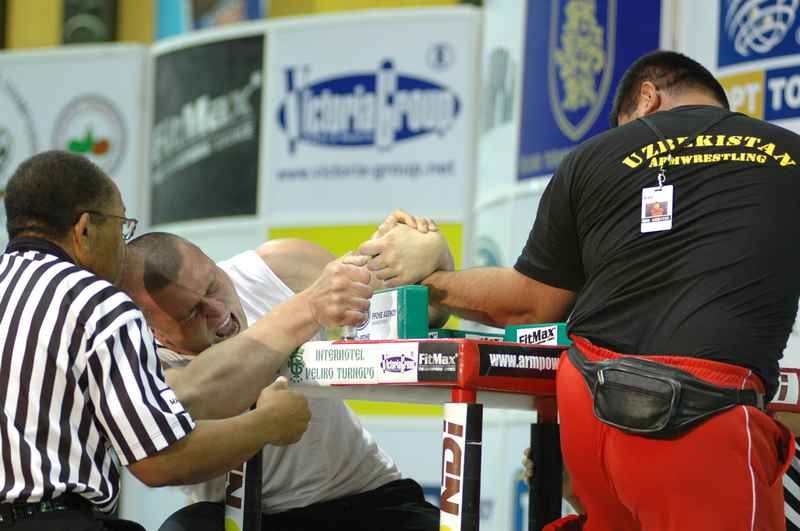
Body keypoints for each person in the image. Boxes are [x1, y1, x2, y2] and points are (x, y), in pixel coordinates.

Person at [360, 51, 800, 530]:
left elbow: (530, 304)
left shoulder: (593, 156)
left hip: (588, 413)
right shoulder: (789, 154)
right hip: (703, 418)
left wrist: (434, 285)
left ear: (648, 97)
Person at [0, 151, 322, 531]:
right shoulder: (96, 301)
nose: (124, 247)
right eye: (121, 228)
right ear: (85, 230)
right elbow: (160, 459)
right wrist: (269, 424)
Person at [119, 232, 440, 531]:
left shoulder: (274, 268)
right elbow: (186, 400)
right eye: (192, 314)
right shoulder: (136, 352)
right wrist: (306, 309)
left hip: (364, 494)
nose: (219, 312)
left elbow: (424, 311)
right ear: (154, 332)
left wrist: (432, 252)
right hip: (249, 514)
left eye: (213, 286)